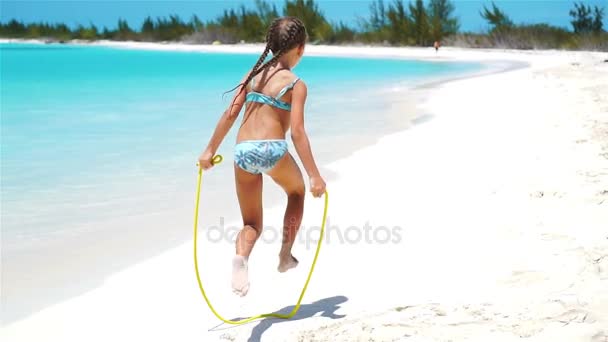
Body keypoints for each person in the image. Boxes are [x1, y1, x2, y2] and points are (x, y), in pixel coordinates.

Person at [197, 17, 326, 297]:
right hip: (272, 150)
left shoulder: (254, 75)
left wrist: (209, 151)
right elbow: (298, 134)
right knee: (296, 192)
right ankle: (284, 255)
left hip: (242, 152)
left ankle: (241, 260)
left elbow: (230, 114)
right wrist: (314, 175)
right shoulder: (296, 84)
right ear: (300, 49)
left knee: (251, 223)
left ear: (270, 46)